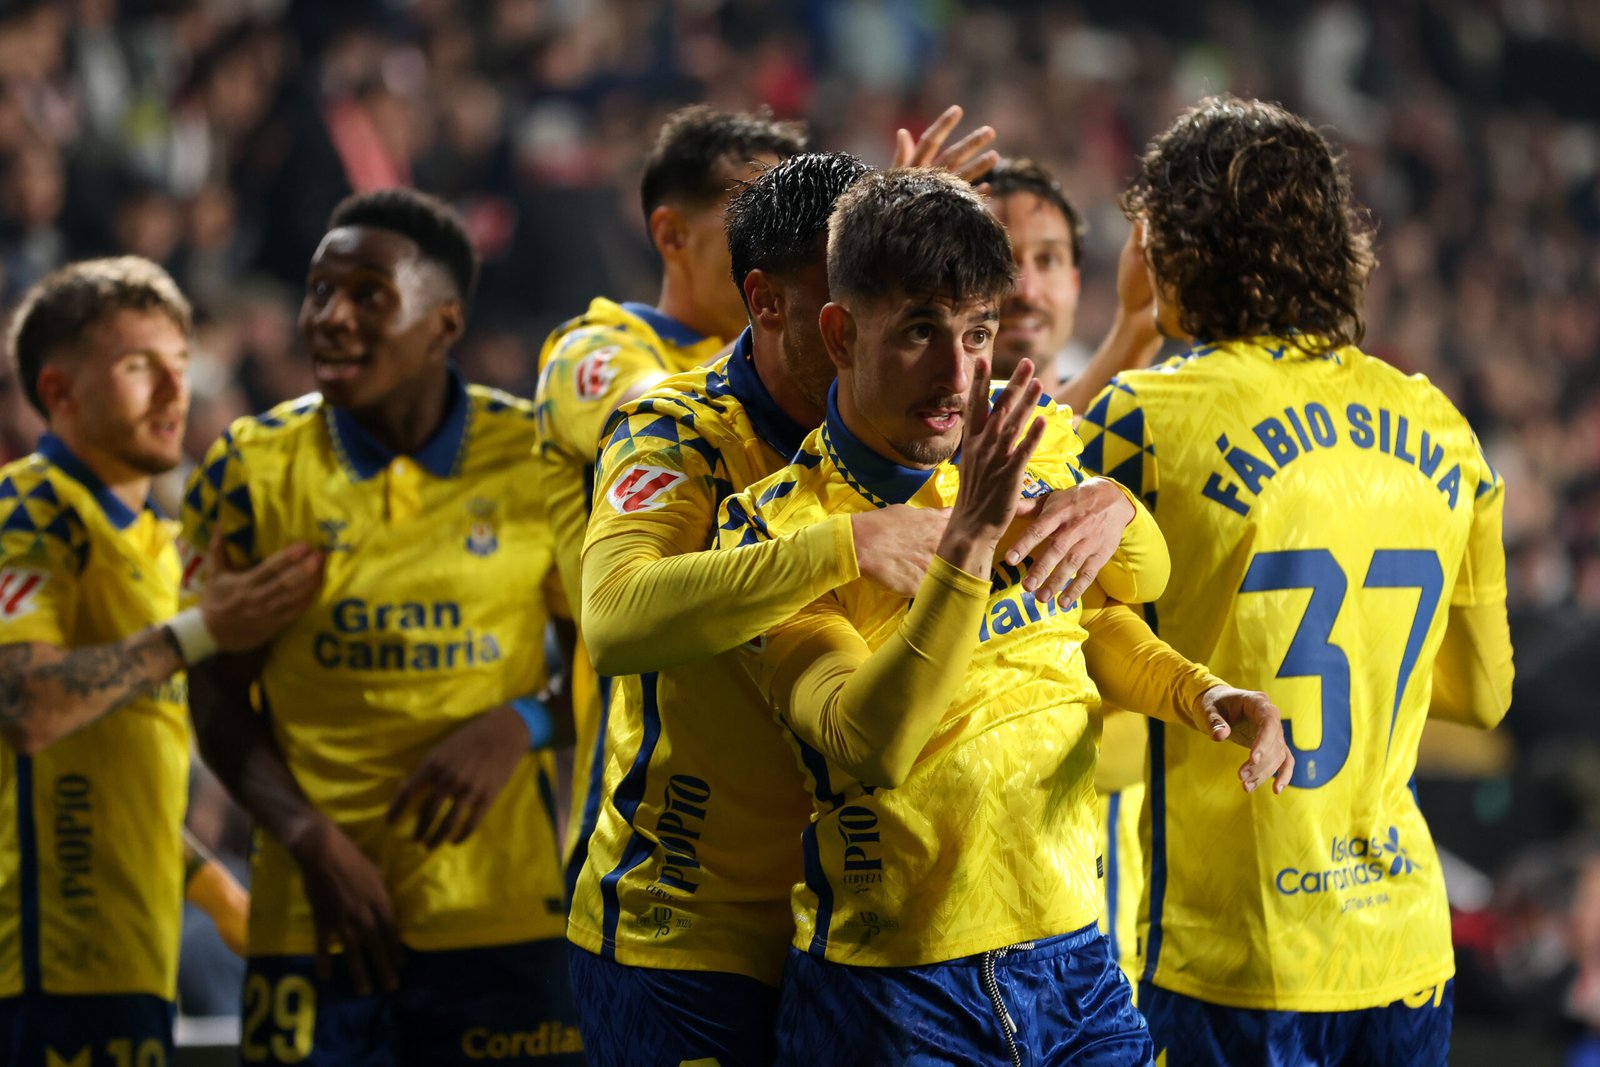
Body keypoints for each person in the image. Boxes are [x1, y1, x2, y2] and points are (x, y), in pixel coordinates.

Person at [715, 168, 1293, 1066]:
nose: (957, 374)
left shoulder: (1027, 447)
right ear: (839, 333)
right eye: (919, 331)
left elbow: (1098, 621)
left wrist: (1198, 688)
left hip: (1078, 960)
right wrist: (971, 542)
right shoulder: (777, 526)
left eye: (978, 332)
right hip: (896, 988)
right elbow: (868, 739)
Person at [1076, 95, 1515, 1066]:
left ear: (1174, 250)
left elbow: (1034, 598)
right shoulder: (1441, 424)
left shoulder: (1142, 417)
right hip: (1401, 943)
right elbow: (1483, 695)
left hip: (1226, 951)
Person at [181, 189, 582, 1064]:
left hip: (500, 916)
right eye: (319, 291)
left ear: (445, 324)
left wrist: (524, 721)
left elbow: (623, 671)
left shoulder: (537, 460)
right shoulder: (251, 471)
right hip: (311, 918)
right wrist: (311, 840)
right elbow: (212, 696)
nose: (329, 317)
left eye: (368, 295)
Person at [0, 256, 321, 1065]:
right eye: (140, 368)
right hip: (38, 969)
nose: (175, 394)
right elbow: (28, 708)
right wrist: (202, 630)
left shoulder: (155, 543)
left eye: (182, 366)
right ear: (59, 391)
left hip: (127, 956)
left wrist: (217, 894)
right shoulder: (27, 506)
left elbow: (108, 777)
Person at [531, 105, 806, 892]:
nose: (778, 258)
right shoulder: (598, 354)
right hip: (649, 808)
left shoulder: (806, 369)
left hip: (790, 799)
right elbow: (676, 417)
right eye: (751, 230)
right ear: (671, 235)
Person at [985, 156, 1165, 987]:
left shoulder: (1135, 419)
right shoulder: (904, 433)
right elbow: (1043, 442)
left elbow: (1063, 437)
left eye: (1049, 258)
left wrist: (1137, 329)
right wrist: (1134, 332)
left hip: (1104, 854)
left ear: (1077, 278)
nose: (1024, 285)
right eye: (997, 253)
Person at [984, 158, 1163, 413]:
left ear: (1074, 283)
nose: (1027, 291)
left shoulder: (1135, 430)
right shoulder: (920, 439)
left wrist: (1136, 328)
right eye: (998, 262)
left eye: (1047, 259)